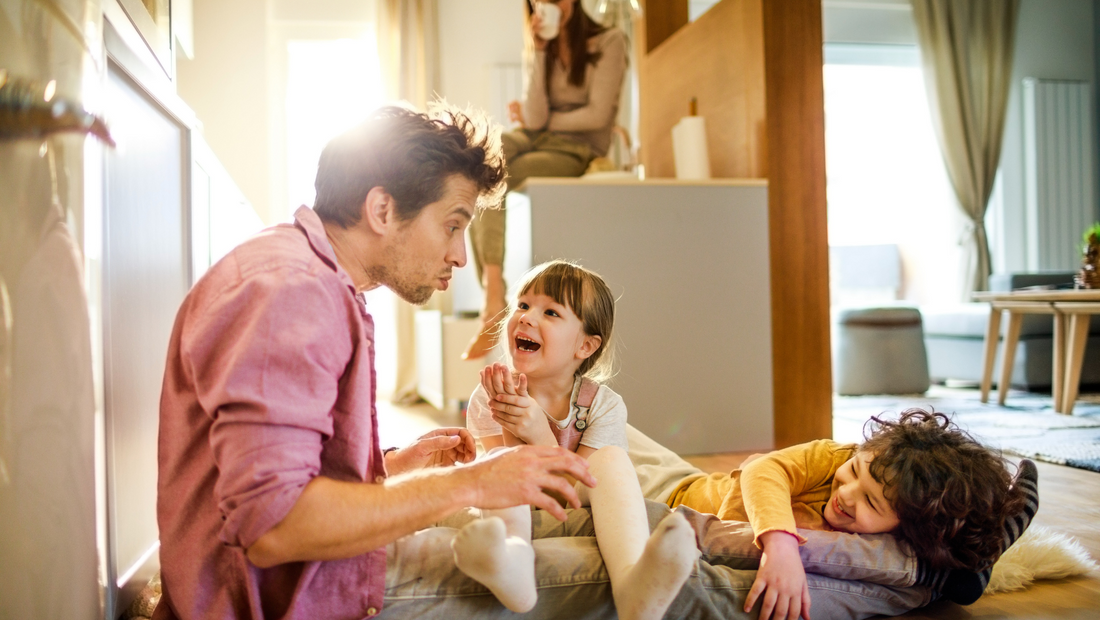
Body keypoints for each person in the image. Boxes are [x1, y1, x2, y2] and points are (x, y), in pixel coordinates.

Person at [454, 261, 698, 619]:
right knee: (498, 466)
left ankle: (633, 584)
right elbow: (509, 478)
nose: (526, 317)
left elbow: (576, 487)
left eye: (550, 311)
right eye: (522, 305)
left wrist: (539, 433)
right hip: (523, 495)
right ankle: (514, 563)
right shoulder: (488, 394)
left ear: (585, 345)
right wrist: (511, 423)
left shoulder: (603, 405)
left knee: (612, 460)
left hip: (576, 491)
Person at [665, 409, 1040, 620]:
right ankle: (970, 566)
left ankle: (974, 545)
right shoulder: (832, 456)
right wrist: (779, 546)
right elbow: (763, 470)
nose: (845, 494)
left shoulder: (895, 529)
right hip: (678, 496)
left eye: (872, 503)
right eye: (855, 472)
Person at [463, 0, 628, 360]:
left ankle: (492, 303)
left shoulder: (609, 41)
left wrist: (544, 120)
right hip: (535, 136)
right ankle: (493, 290)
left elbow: (598, 114)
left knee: (500, 175)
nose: (550, 4)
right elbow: (534, 116)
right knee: (480, 159)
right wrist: (538, 51)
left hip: (577, 146)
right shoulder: (541, 43)